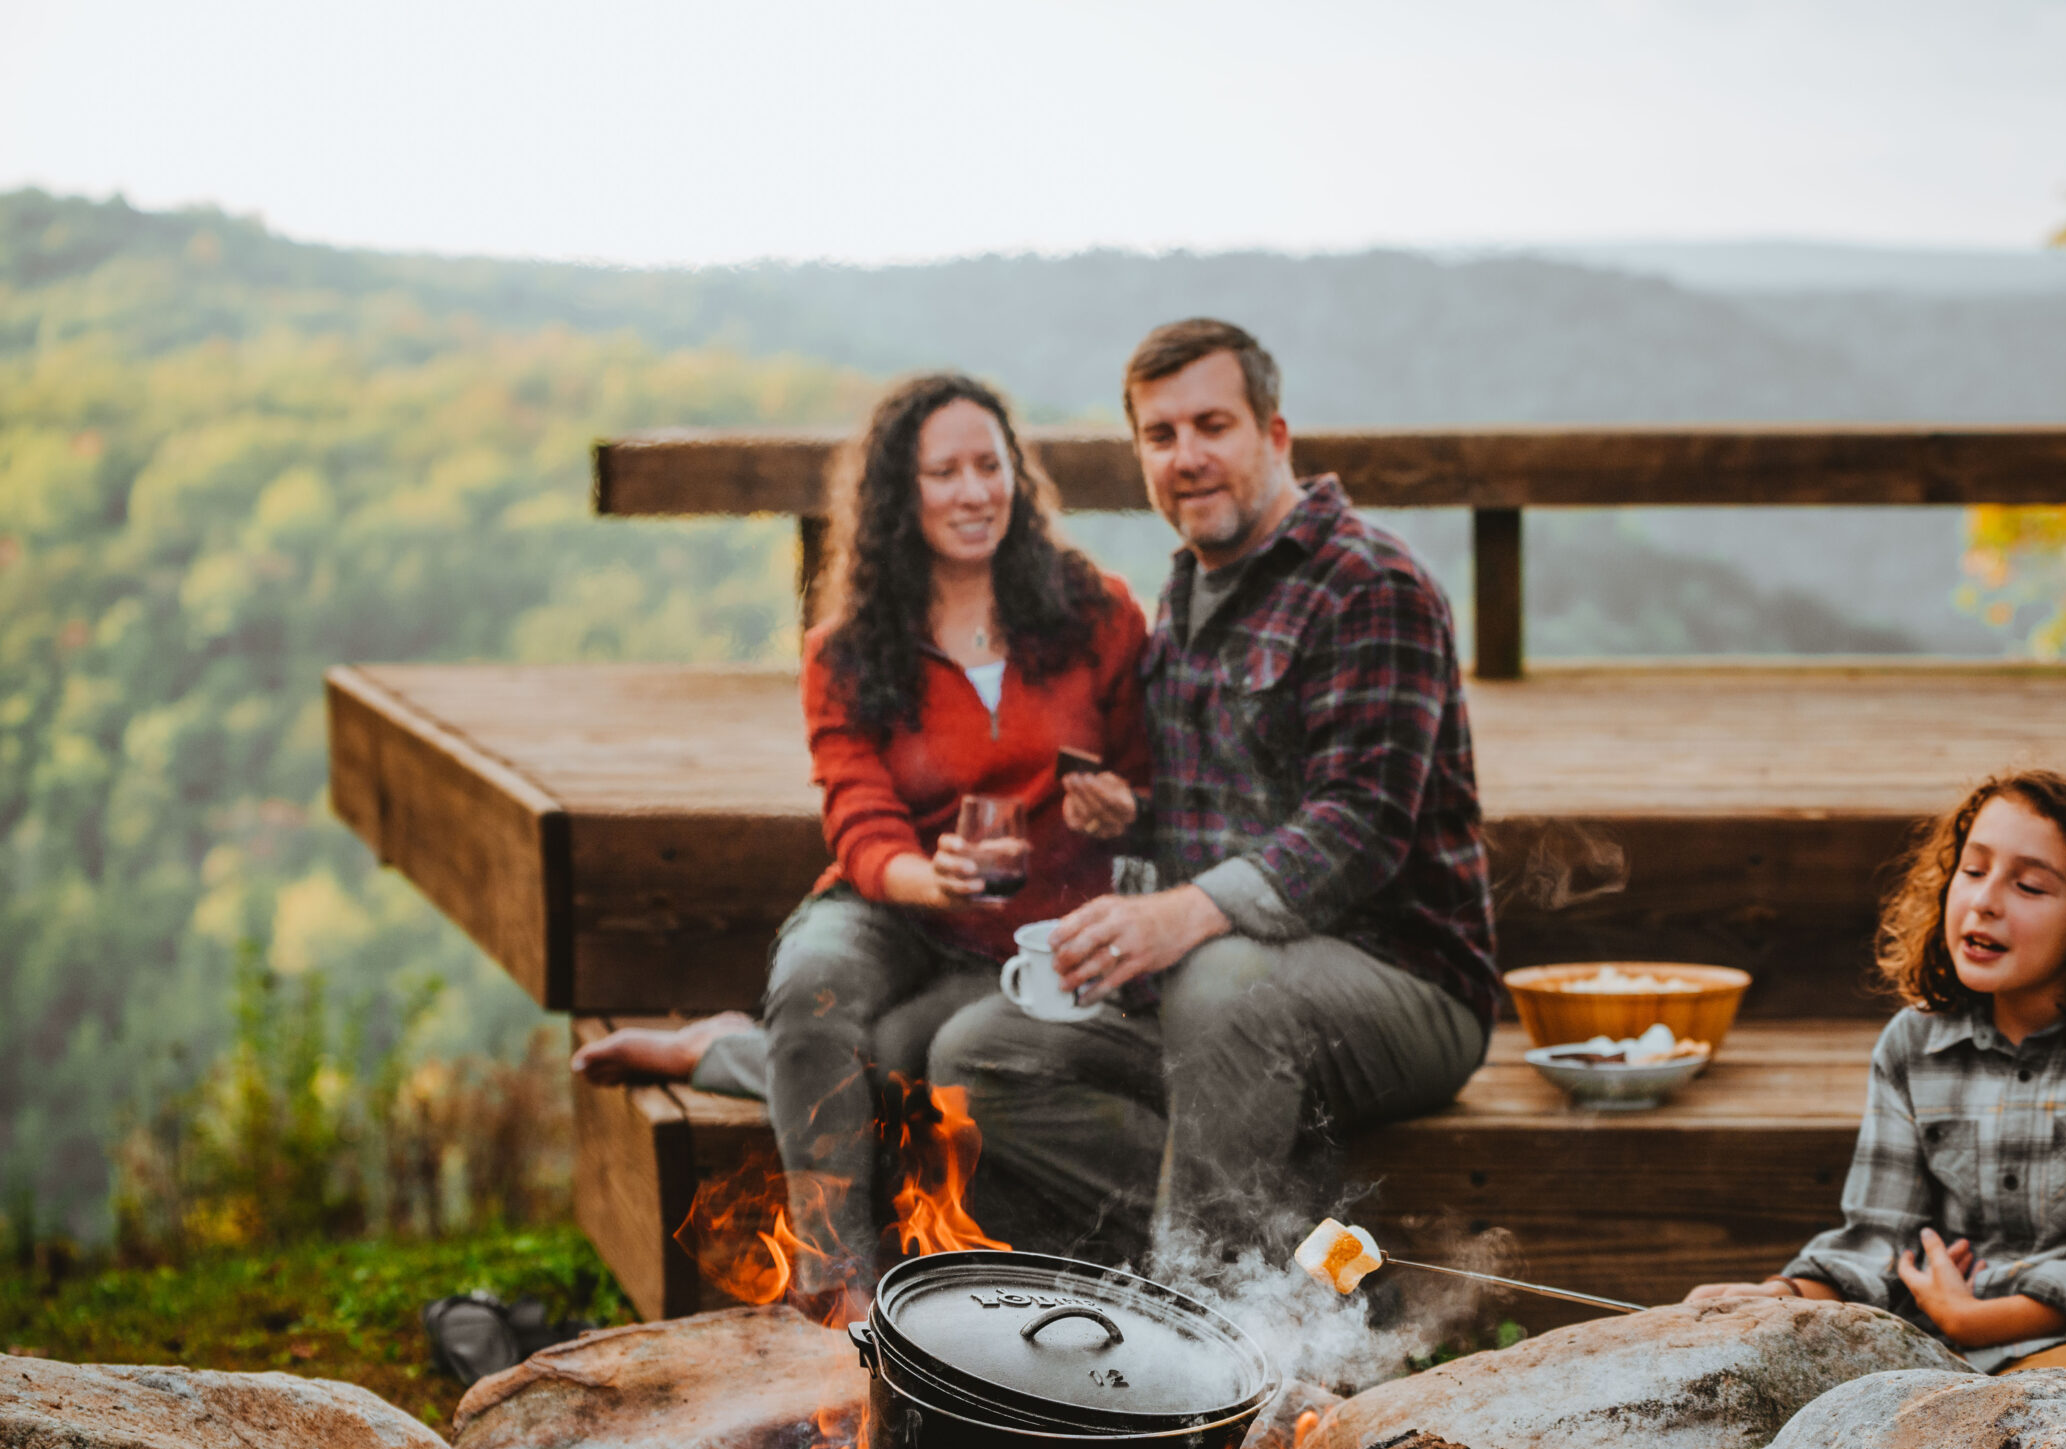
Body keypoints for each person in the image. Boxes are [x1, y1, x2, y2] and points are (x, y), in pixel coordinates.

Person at [927, 319, 1497, 1269]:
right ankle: (1274, 1255)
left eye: (1212, 425)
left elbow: (1358, 824)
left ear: (1274, 434)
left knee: (1222, 984)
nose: (1186, 457)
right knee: (977, 1055)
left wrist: (1182, 913)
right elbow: (1229, 810)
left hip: (1405, 982)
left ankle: (1192, 1337)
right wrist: (1133, 816)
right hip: (1224, 983)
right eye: (1160, 435)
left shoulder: (1371, 583)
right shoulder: (1190, 589)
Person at [571, 373, 1151, 1289]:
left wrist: (1123, 804)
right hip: (892, 898)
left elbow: (1150, 776)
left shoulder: (1098, 614)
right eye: (943, 471)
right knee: (814, 990)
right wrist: (933, 877)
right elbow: (857, 815)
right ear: (898, 493)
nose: (973, 491)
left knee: (905, 1077)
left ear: (1017, 476)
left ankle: (722, 1051)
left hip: (1029, 925)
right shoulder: (845, 649)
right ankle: (833, 1282)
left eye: (989, 466)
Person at [1687, 771, 2066, 1384]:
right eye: (1973, 871)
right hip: (1929, 1348)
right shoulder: (1915, 1044)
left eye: (2028, 885)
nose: (1985, 901)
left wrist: (1984, 1319)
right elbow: (1878, 1240)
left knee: (2052, 1427)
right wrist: (1780, 1295)